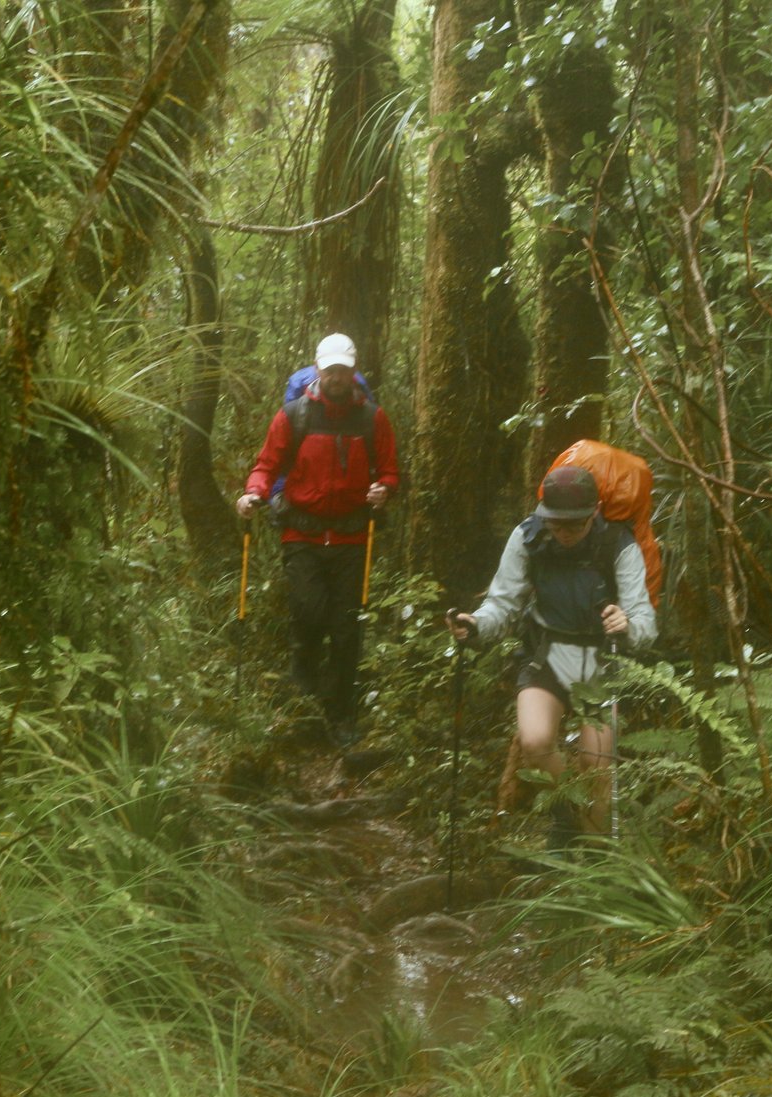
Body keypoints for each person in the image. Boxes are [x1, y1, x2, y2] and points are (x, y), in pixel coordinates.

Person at [447, 464, 656, 840]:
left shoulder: (618, 544)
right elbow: (503, 603)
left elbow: (644, 619)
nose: (563, 533)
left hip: (601, 661)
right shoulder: (528, 538)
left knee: (597, 764)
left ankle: (594, 864)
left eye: (574, 525)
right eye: (556, 524)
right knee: (535, 741)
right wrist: (475, 626)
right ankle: (568, 820)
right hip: (546, 654)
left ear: (594, 513)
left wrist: (628, 627)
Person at [236, 333, 400, 746]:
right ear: (318, 369)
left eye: (344, 370)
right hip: (302, 533)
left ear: (353, 370)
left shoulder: (372, 419)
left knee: (347, 630)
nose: (337, 377)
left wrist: (384, 489)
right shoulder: (294, 416)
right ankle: (302, 704)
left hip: (351, 537)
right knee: (308, 616)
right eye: (330, 370)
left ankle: (341, 714)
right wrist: (254, 492)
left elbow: (391, 472)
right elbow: (267, 464)